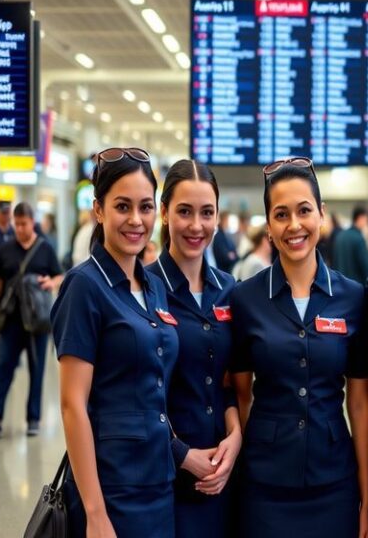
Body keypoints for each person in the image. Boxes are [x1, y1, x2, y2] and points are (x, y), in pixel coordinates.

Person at [230, 157, 368, 538]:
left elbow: (358, 403)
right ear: (269, 226)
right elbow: (241, 396)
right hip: (265, 488)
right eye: (281, 214)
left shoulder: (354, 298)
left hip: (334, 482)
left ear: (322, 215)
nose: (294, 225)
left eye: (304, 210)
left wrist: (367, 495)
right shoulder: (245, 299)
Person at [51, 147, 179, 537]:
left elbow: (152, 389)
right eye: (122, 206)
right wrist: (95, 513)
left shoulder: (154, 286)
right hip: (110, 488)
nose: (136, 220)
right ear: (99, 210)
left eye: (145, 206)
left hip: (159, 482)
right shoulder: (84, 287)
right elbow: (73, 404)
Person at [148, 159, 241, 538]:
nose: (196, 225)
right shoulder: (144, 288)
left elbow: (229, 380)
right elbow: (133, 392)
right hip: (162, 475)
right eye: (184, 211)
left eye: (207, 213)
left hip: (222, 472)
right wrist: (182, 454)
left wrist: (235, 439)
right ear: (165, 213)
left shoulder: (229, 289)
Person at [0, 202, 63, 438]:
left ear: (32, 221)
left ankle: (33, 418)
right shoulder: (6, 249)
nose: (20, 229)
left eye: (24, 224)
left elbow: (59, 275)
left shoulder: (44, 248)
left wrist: (52, 282)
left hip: (38, 323)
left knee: (37, 371)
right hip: (11, 322)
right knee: (4, 365)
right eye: (16, 224)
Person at [333, 206, 368, 284]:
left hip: (340, 284)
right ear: (361, 218)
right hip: (356, 286)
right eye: (366, 220)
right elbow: (366, 267)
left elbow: (334, 262)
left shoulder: (340, 236)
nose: (367, 223)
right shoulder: (358, 238)